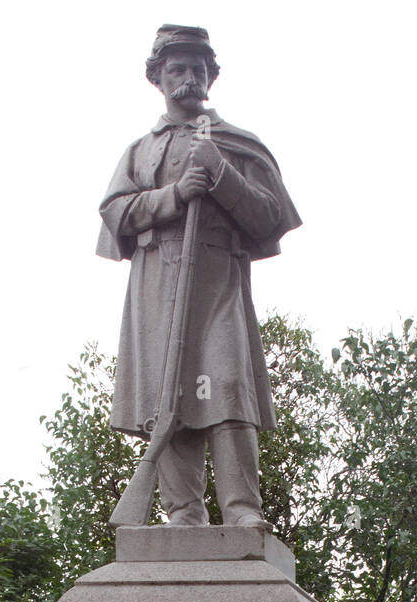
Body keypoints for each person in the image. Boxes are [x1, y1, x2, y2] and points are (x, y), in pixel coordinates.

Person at [97, 24, 301, 527]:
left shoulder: (237, 144)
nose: (188, 78)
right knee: (165, 398)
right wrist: (174, 195)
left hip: (216, 279)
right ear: (158, 78)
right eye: (177, 69)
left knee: (226, 388)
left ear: (211, 75)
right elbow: (114, 213)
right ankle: (183, 513)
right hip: (154, 284)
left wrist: (220, 174)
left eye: (197, 68)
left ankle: (242, 511)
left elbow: (270, 216)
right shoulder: (139, 152)